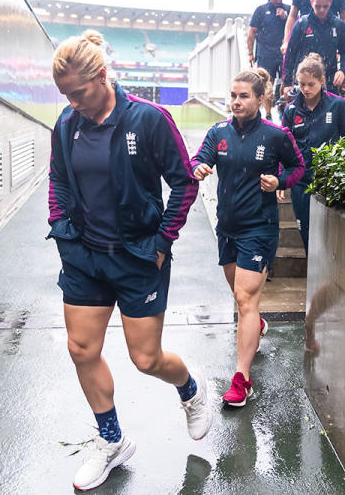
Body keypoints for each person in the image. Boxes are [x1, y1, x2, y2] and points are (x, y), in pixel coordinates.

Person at [49, 30, 209, 490]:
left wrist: (161, 242)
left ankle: (190, 390)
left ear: (102, 76)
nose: (72, 102)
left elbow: (184, 183)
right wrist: (63, 232)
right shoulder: (66, 123)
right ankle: (112, 440)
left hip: (140, 257)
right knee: (81, 349)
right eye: (65, 95)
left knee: (146, 358)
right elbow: (58, 180)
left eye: (78, 93)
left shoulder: (150, 120)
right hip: (84, 256)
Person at [191, 68, 305, 407]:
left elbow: (298, 168)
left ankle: (241, 380)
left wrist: (280, 182)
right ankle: (256, 323)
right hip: (227, 228)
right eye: (233, 95)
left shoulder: (276, 135)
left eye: (243, 96)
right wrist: (198, 167)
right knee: (241, 296)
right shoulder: (219, 132)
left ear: (260, 99)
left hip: (259, 227)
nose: (236, 102)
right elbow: (198, 158)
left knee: (245, 299)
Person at [280, 53, 345, 251]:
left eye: (311, 84)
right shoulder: (291, 110)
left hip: (330, 179)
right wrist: (281, 178)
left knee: (329, 232)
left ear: (322, 81)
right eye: (301, 84)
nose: (305, 89)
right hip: (301, 180)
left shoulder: (338, 105)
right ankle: (312, 272)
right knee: (305, 228)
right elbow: (282, 147)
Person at [282, 0, 345, 97]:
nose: (321, 10)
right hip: (304, 85)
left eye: (325, 6)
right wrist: (287, 84)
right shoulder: (301, 24)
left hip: (329, 84)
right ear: (311, 2)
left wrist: (342, 71)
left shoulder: (339, 25)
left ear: (331, 2)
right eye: (317, 6)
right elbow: (290, 54)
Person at [249, 0, 289, 120]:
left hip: (283, 53)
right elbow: (252, 32)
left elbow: (294, 29)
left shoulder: (289, 10)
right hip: (265, 53)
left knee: (286, 80)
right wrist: (250, 53)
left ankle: (283, 108)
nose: (278, 1)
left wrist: (285, 18)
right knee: (267, 83)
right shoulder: (260, 10)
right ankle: (267, 113)